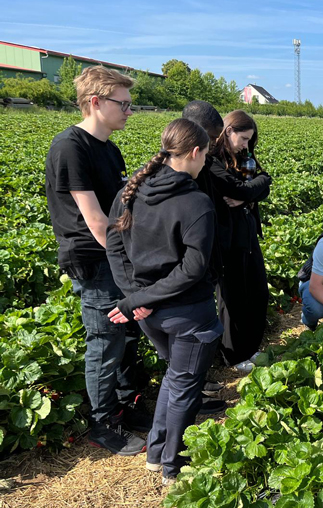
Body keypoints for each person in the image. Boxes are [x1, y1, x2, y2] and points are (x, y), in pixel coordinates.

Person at [106, 118, 222, 485]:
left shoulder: (131, 190)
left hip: (148, 314)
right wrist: (141, 298)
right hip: (187, 314)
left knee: (175, 378)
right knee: (185, 387)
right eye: (206, 155)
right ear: (195, 152)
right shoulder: (195, 202)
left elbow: (113, 246)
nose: (205, 162)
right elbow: (193, 269)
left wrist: (136, 297)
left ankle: (156, 454)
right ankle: (174, 467)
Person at [44, 65, 151, 456]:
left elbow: (121, 210)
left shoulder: (109, 148)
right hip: (94, 258)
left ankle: (126, 405)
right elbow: (96, 221)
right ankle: (103, 423)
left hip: (115, 257)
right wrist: (128, 268)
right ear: (95, 102)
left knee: (127, 334)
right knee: (105, 340)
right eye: (123, 104)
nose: (129, 111)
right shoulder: (70, 147)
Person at [208, 110, 272, 373]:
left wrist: (251, 193)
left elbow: (261, 188)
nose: (246, 145)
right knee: (232, 298)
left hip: (247, 234)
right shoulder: (212, 160)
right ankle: (233, 355)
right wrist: (254, 188)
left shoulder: (244, 157)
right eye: (244, 138)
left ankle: (250, 348)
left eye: (249, 140)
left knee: (257, 292)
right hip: (226, 239)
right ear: (228, 131)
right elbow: (238, 189)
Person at [180, 100, 229, 414]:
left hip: (201, 263)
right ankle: (191, 398)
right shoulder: (181, 174)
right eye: (210, 138)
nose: (213, 146)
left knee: (197, 332)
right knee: (190, 333)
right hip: (188, 269)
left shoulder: (202, 164)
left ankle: (196, 384)